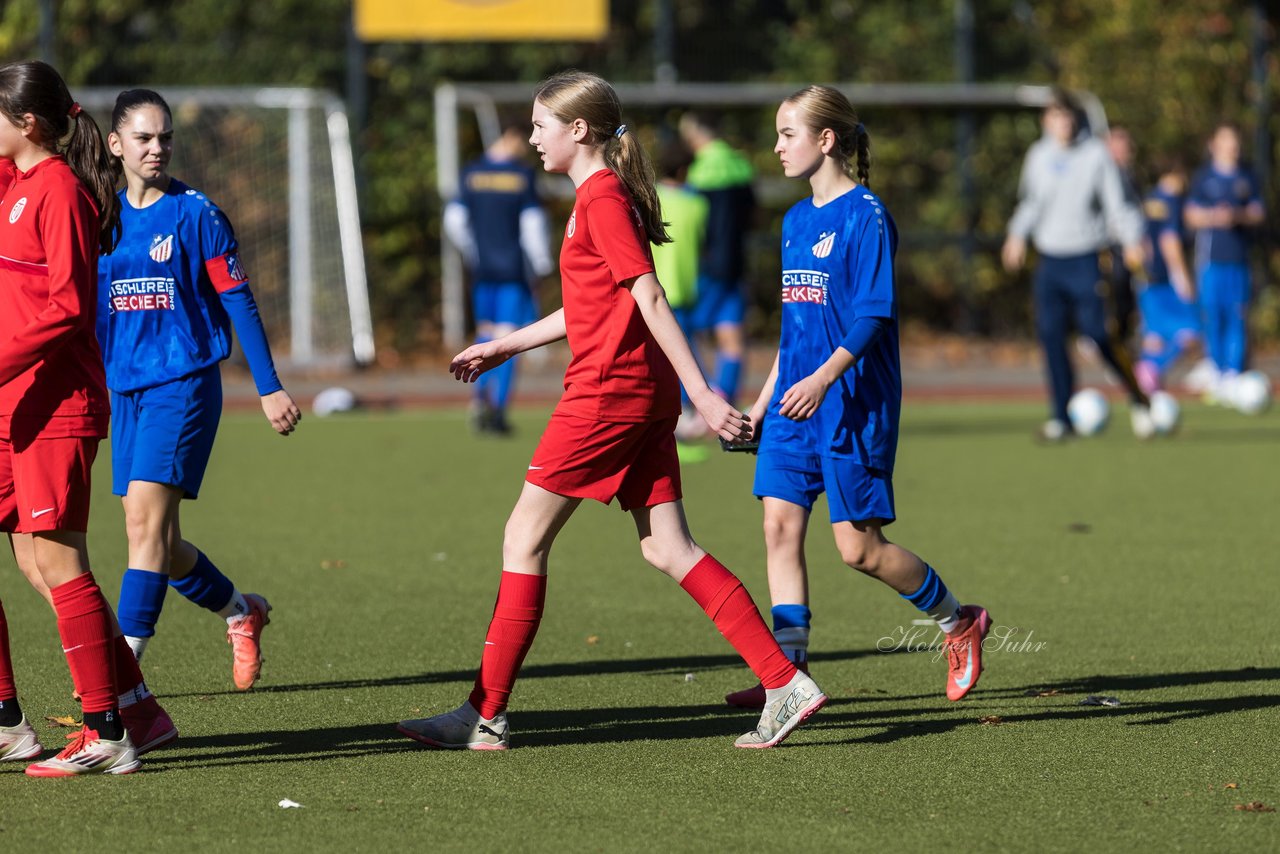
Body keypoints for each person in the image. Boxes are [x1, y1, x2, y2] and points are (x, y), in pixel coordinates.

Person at [399, 70, 825, 751]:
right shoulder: (597, 198)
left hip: (608, 395)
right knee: (667, 547)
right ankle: (784, 682)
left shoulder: (600, 198)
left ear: (578, 130)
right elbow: (592, 305)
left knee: (523, 538)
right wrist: (505, 345)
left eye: (540, 126)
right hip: (636, 395)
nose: (531, 139)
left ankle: (485, 715)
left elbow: (649, 296)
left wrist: (704, 395)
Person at [721, 86, 991, 709]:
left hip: (851, 404)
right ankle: (788, 678)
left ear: (826, 140)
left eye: (788, 134)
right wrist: (761, 405)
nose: (776, 147)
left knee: (859, 550)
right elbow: (795, 333)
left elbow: (873, 317)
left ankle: (959, 623)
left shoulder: (866, 214)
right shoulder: (794, 220)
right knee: (778, 526)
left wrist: (823, 380)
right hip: (794, 407)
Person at [0, 60, 172, 776]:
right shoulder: (15, 182)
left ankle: (109, 730)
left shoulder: (59, 191)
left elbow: (68, 307)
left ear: (26, 123)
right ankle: (12, 724)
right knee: (33, 560)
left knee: (58, 561)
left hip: (55, 402)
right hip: (15, 401)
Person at [97, 89, 301, 691]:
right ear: (116, 144)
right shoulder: (100, 216)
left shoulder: (197, 215)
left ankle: (121, 687)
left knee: (144, 530)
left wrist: (269, 387)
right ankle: (241, 611)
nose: (157, 148)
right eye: (143, 138)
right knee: (160, 537)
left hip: (182, 383)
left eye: (165, 137)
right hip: (125, 389)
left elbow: (239, 301)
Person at [1001, 91, 1151, 440]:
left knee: (1099, 334)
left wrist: (1131, 240)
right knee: (1051, 336)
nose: (1063, 124)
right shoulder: (1038, 156)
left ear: (1076, 120)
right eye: (1057, 117)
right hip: (1050, 261)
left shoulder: (1096, 154)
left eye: (1068, 117)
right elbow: (1031, 203)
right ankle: (1061, 418)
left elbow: (1118, 204)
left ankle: (1139, 398)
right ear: (1047, 121)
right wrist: (1016, 235)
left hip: (1087, 258)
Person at [444, 120, 554, 435]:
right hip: (513, 271)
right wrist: (541, 265)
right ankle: (498, 409)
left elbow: (454, 219)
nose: (531, 143)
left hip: (483, 270)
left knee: (485, 332)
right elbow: (533, 225)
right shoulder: (521, 175)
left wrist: (473, 252)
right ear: (512, 135)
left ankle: (478, 400)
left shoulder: (472, 172)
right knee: (507, 339)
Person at [1183, 122, 1266, 403]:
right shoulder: (1204, 177)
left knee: (1237, 316)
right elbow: (1190, 215)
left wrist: (1237, 216)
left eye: (1235, 140)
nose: (1232, 146)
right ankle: (1216, 371)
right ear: (1214, 144)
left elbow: (1258, 212)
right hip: (1211, 261)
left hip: (1239, 260)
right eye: (1226, 140)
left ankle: (1233, 373)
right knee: (1213, 315)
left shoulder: (1247, 176)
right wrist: (1213, 217)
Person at [678, 110, 756, 407]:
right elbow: (753, 215)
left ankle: (696, 400)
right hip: (736, 264)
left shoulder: (697, 170)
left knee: (681, 333)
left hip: (705, 265)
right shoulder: (740, 164)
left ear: (696, 133)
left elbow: (690, 223)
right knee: (731, 334)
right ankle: (726, 398)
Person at [651, 138, 711, 458]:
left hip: (650, 291)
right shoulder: (698, 204)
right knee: (684, 358)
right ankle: (683, 424)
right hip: (684, 291)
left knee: (663, 362)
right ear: (685, 170)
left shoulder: (648, 199)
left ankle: (677, 427)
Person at [1134, 156, 1200, 393]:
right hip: (1166, 280)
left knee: (1155, 337)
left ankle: (1148, 382)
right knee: (1190, 333)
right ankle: (1149, 370)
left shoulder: (1149, 199)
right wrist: (1181, 276)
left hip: (1147, 279)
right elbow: (1169, 240)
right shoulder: (1172, 201)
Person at [1104, 126, 1141, 345]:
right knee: (1114, 290)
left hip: (1129, 244)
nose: (1119, 151)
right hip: (1110, 244)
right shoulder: (1103, 175)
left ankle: (1124, 339)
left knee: (1128, 293)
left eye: (1123, 146)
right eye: (1114, 145)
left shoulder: (1131, 175)